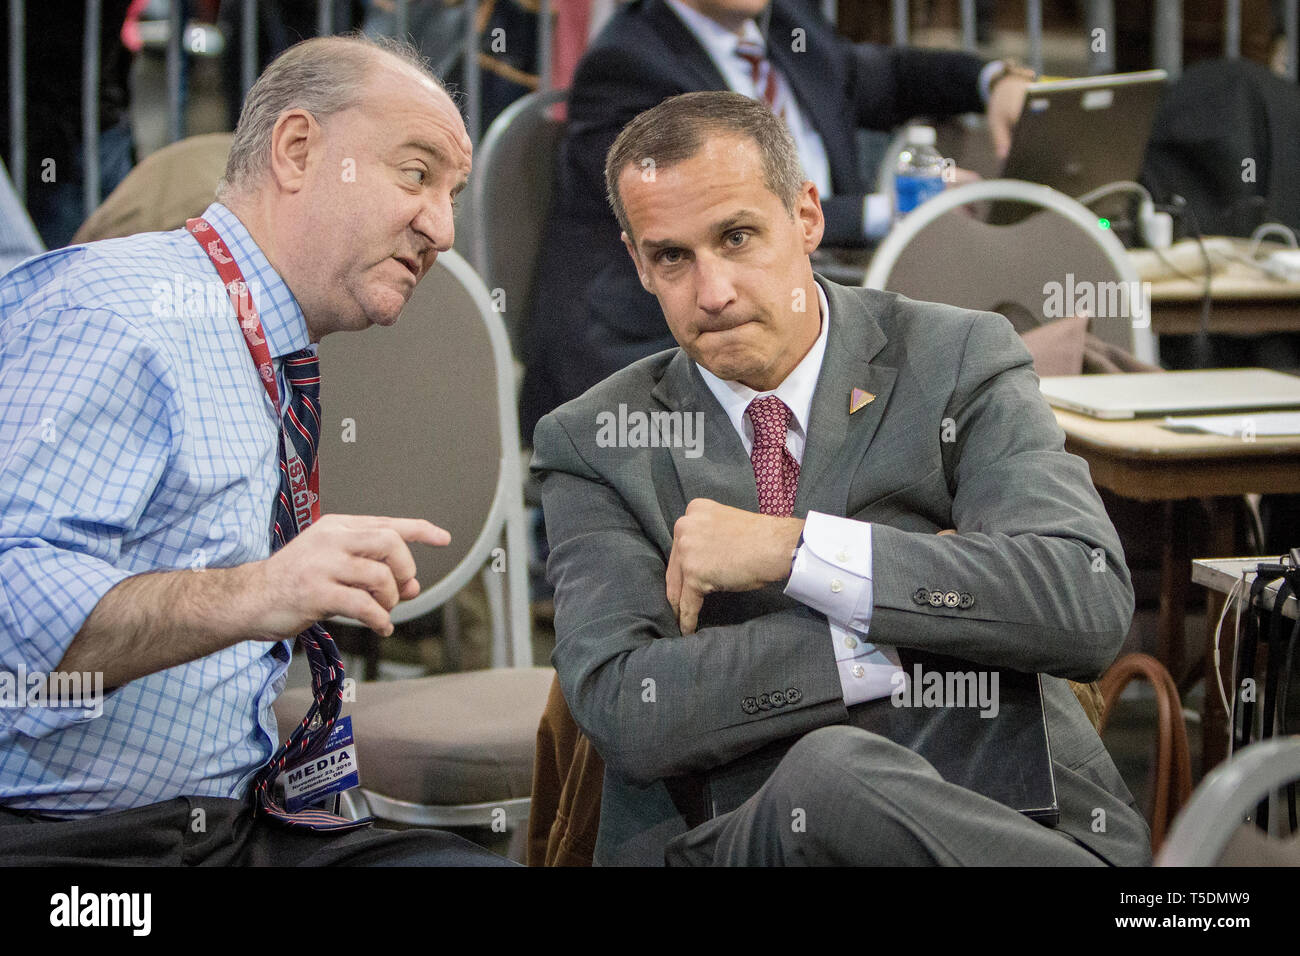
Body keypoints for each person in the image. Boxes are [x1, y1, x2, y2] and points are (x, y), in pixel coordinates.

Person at [531, 90, 1152, 866]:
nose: (713, 292)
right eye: (671, 257)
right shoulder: (594, 440)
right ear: (637, 262)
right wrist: (908, 622)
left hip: (1006, 820)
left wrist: (799, 553)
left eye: (737, 236)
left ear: (807, 218)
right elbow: (629, 706)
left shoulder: (957, 358)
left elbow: (1081, 598)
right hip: (735, 836)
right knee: (830, 779)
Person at [0, 34, 510, 866]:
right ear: (299, 149)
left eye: (454, 193)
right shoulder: (118, 311)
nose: (443, 228)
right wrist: (256, 593)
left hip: (237, 819)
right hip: (72, 845)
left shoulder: (266, 346)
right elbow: (9, 607)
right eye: (416, 175)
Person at [519, 0, 1034, 441]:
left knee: (984, 348)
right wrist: (891, 211)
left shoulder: (786, 27)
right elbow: (715, 217)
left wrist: (993, 80)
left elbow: (885, 76)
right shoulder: (627, 62)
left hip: (812, 299)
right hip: (658, 340)